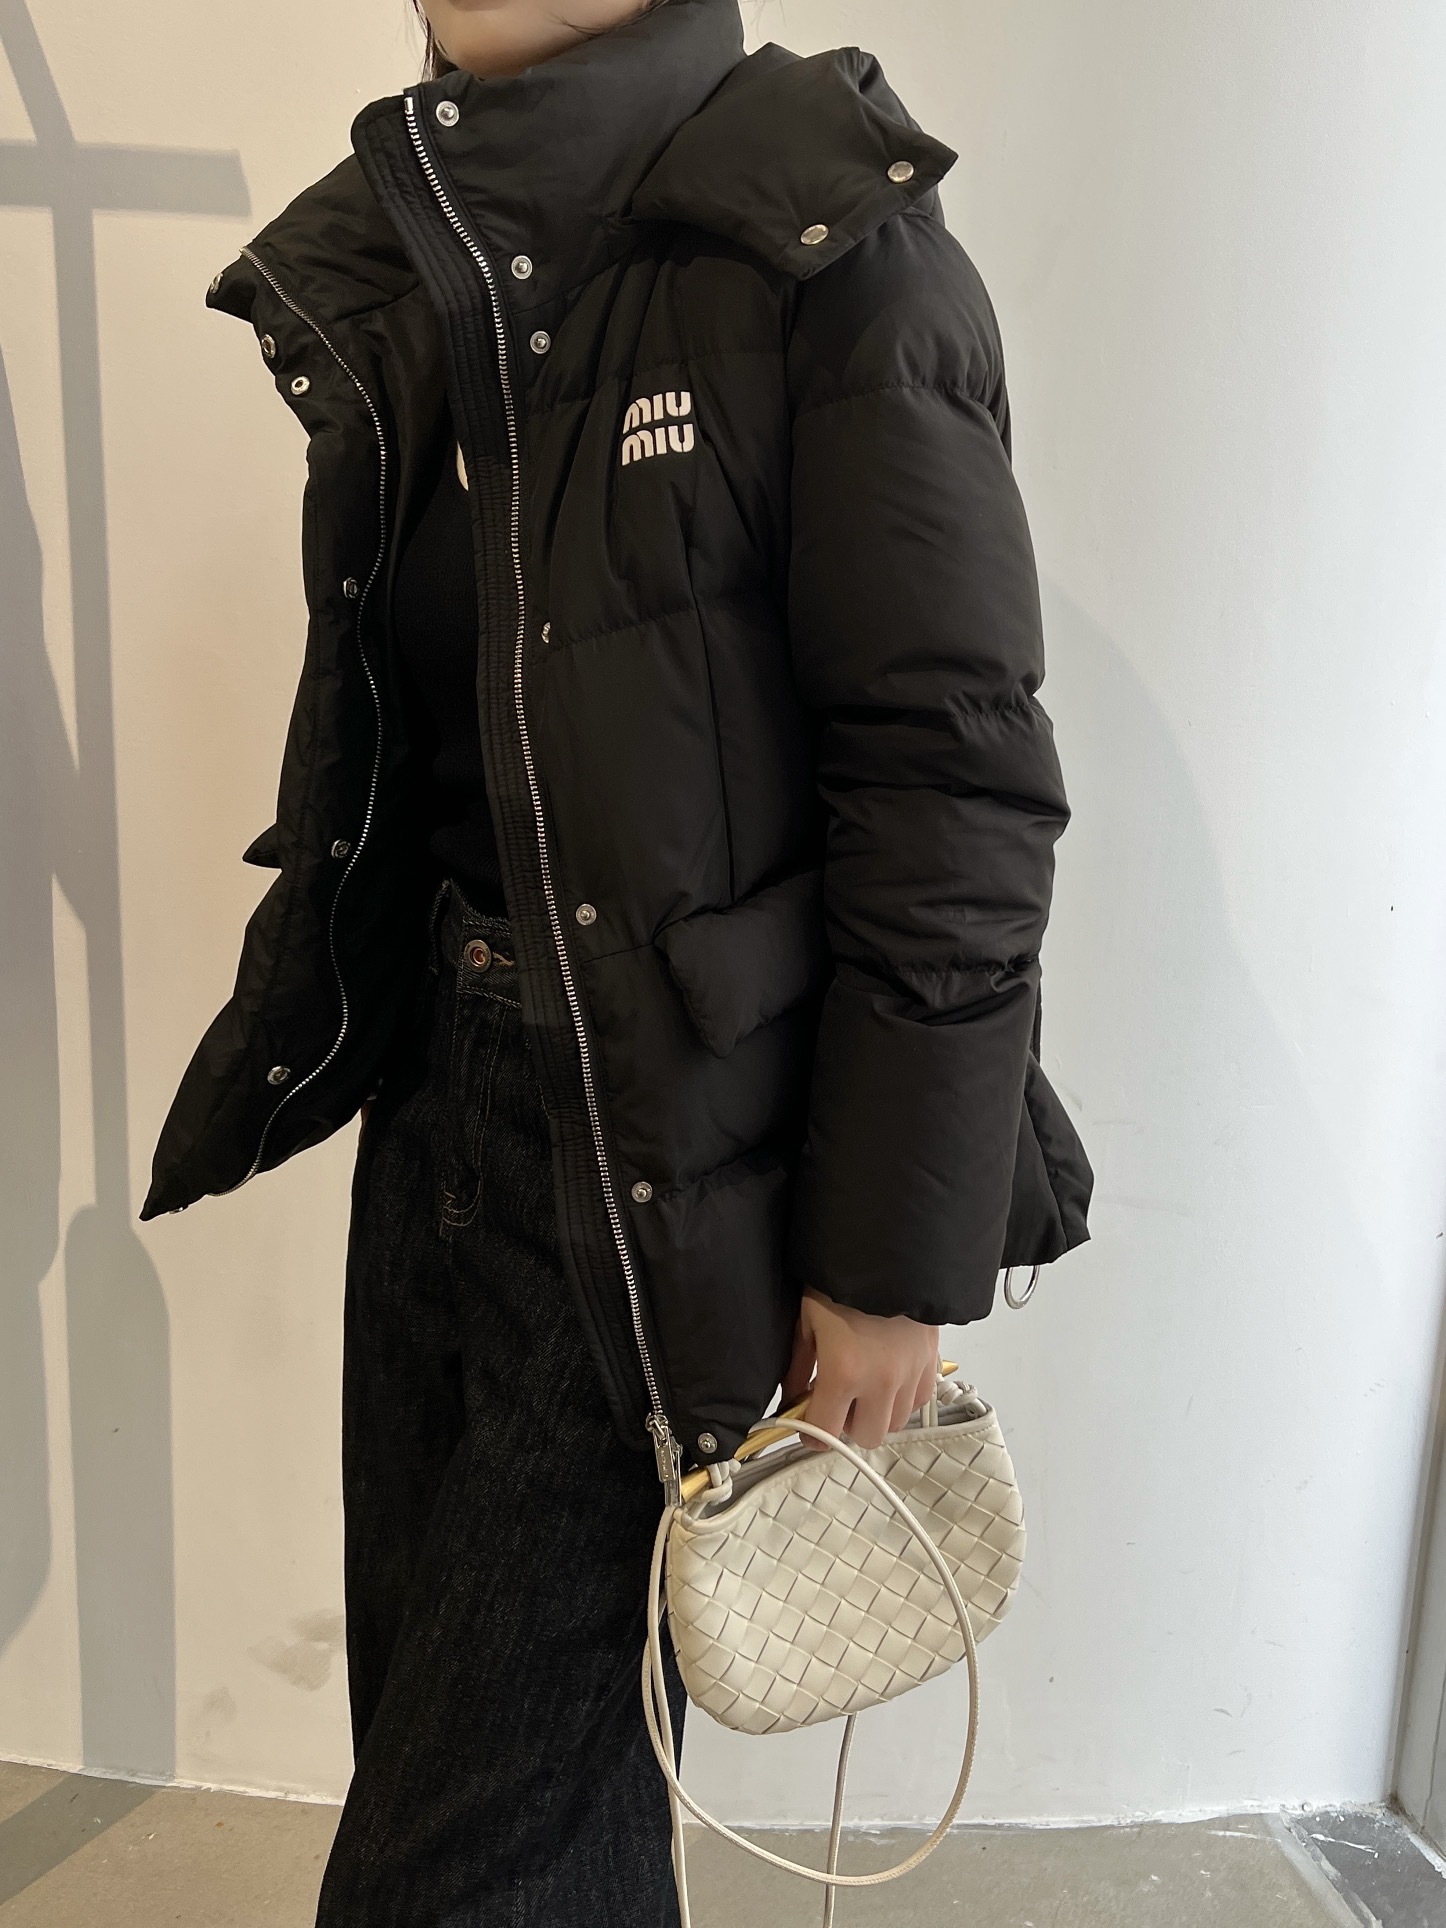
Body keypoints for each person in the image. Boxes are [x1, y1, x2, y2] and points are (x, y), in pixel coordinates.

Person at [141, 0, 1092, 1918]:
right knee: (517, 1784)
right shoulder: (437, 265)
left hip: (674, 1154)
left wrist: (888, 1262)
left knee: (449, 1861)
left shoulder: (828, 250)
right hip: (446, 1105)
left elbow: (950, 788)